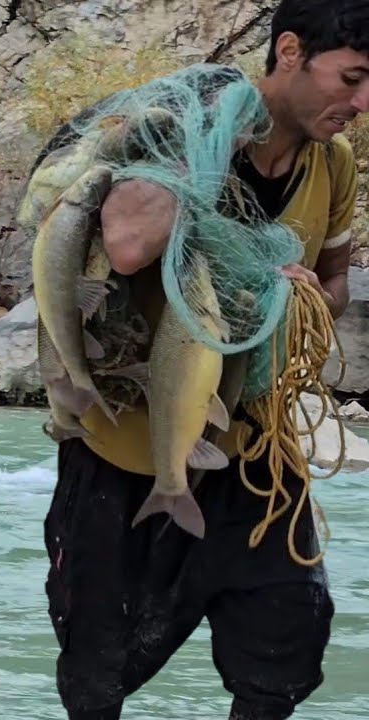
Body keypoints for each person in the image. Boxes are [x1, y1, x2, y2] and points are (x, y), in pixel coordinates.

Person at [38, 1, 367, 718]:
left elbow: (338, 283)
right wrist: (199, 159)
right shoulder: (182, 130)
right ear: (289, 52)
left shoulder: (331, 165)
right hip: (128, 449)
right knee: (98, 668)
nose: (362, 103)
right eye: (352, 77)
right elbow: (127, 248)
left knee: (282, 648)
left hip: (256, 451)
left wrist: (312, 294)